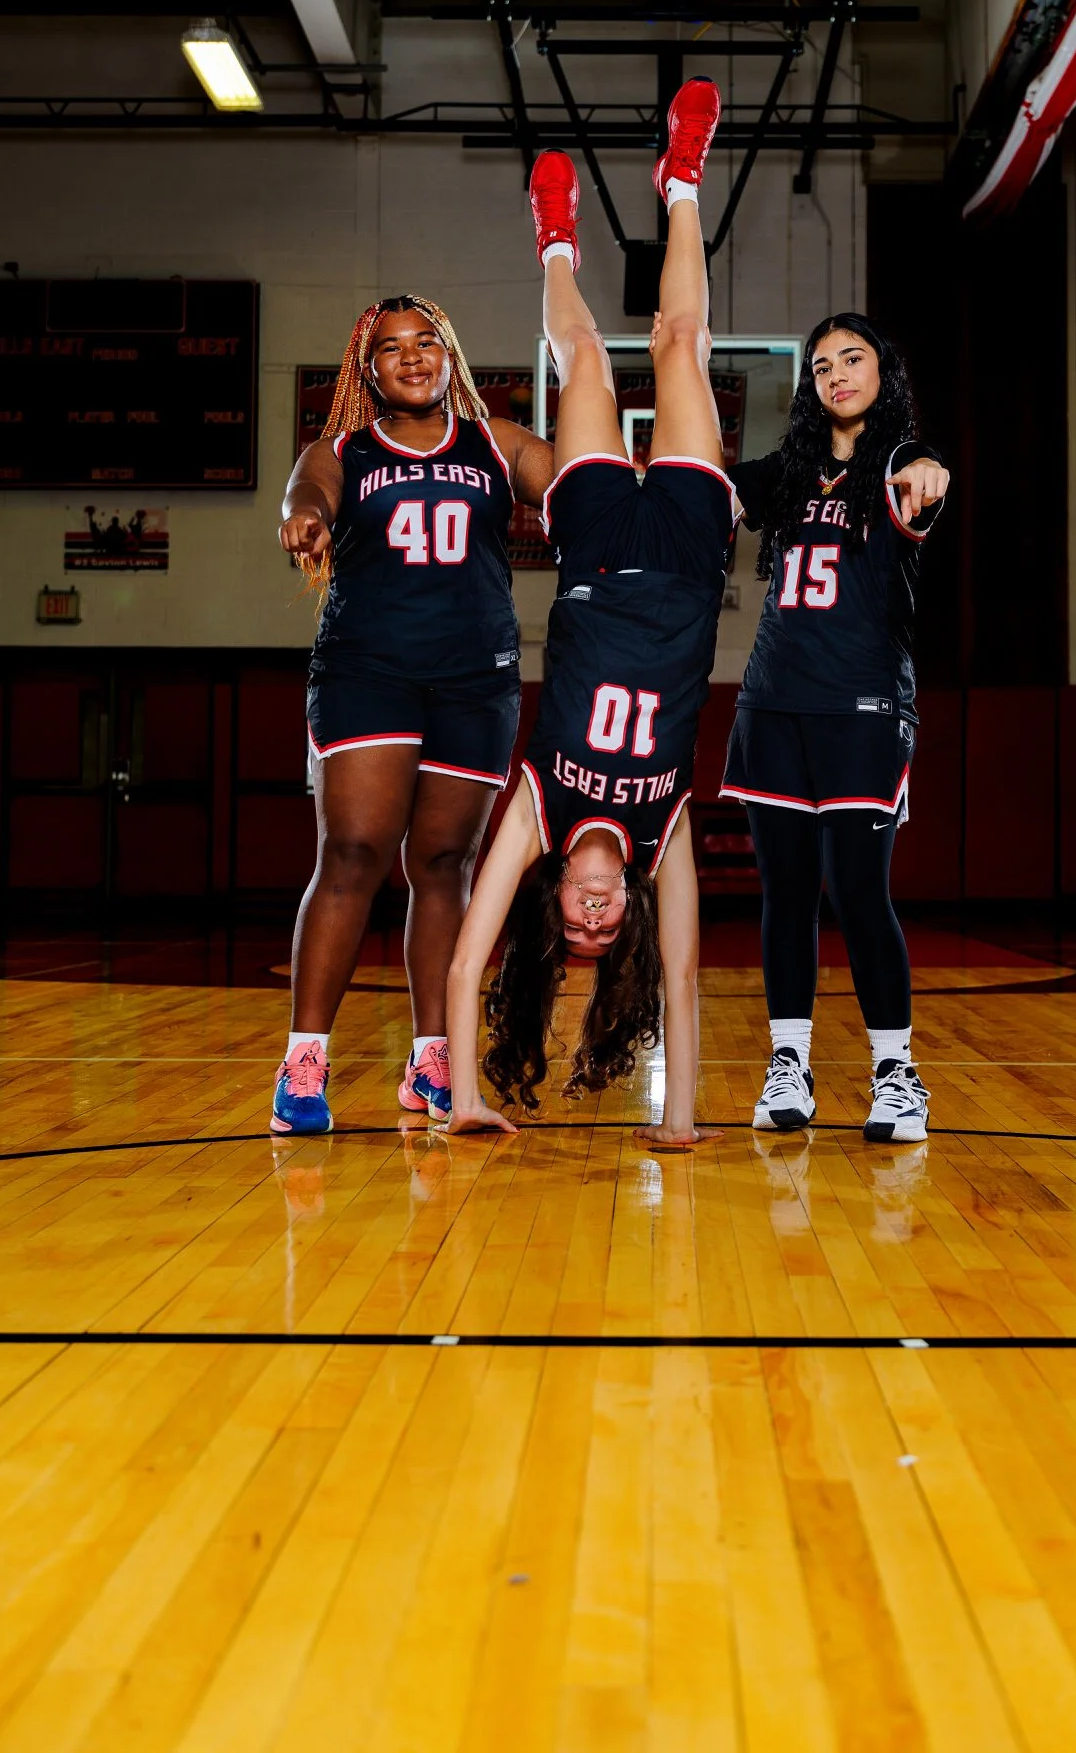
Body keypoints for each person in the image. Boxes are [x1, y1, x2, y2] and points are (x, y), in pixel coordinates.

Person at [443, 79, 736, 1151]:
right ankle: (684, 181)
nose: (595, 916)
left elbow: (468, 957)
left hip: (600, 551)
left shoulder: (537, 810)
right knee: (679, 344)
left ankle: (555, 240)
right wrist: (677, 1122)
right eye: (602, 930)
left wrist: (468, 1093)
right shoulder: (661, 835)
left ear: (557, 894)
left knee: (596, 361)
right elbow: (690, 971)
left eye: (575, 918)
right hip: (691, 559)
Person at [271, 294, 553, 1134]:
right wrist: (306, 520)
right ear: (369, 371)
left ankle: (435, 1058)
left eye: (425, 342)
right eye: (391, 348)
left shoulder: (496, 442)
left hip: (475, 678)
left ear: (449, 353)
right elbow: (306, 494)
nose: (412, 357)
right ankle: (304, 1063)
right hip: (370, 673)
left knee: (442, 863)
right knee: (353, 852)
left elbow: (578, 484)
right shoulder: (344, 449)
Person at [720, 313, 950, 1142]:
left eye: (853, 359)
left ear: (883, 370)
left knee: (858, 891)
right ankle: (790, 1065)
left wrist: (929, 472)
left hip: (862, 706)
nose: (836, 374)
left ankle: (897, 1075)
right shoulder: (790, 472)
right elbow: (708, 480)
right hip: (774, 701)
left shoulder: (896, 464)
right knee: (785, 894)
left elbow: (926, 472)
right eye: (821, 366)